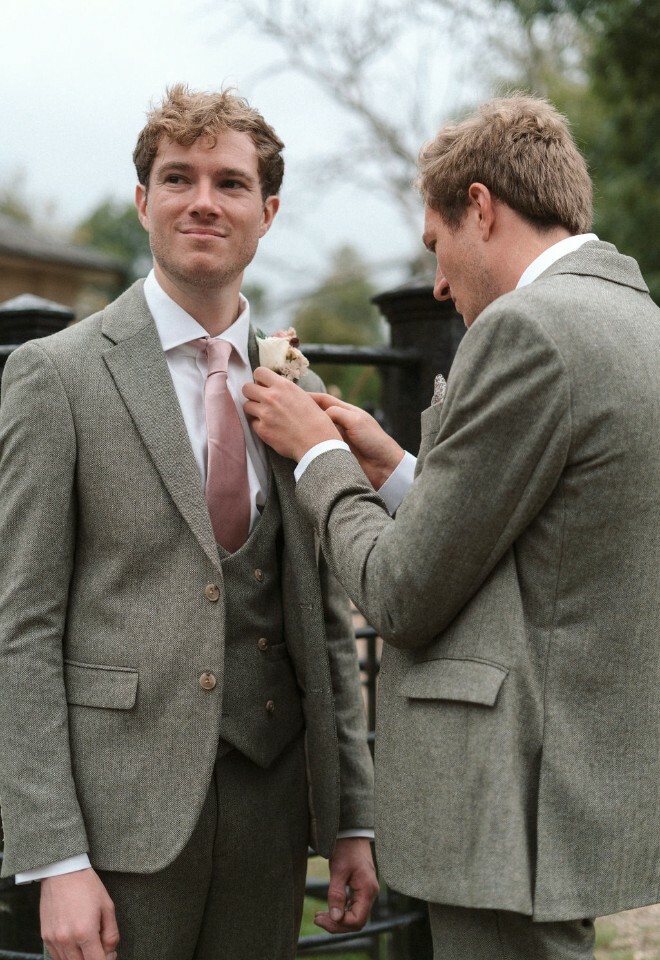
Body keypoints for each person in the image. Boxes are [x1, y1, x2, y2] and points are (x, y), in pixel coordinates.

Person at [242, 95, 660, 959]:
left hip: (507, 794)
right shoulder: (635, 320)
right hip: (575, 777)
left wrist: (318, 457)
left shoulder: (527, 330)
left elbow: (400, 592)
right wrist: (392, 464)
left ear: (481, 207)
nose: (437, 282)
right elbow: (536, 527)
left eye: (436, 245)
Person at [0, 84, 377, 960]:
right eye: (178, 178)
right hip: (116, 828)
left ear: (267, 212)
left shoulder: (294, 389)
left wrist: (350, 816)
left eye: (231, 183)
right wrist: (54, 855)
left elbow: (323, 621)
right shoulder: (56, 378)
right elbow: (19, 629)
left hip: (271, 814)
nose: (203, 201)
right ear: (143, 202)